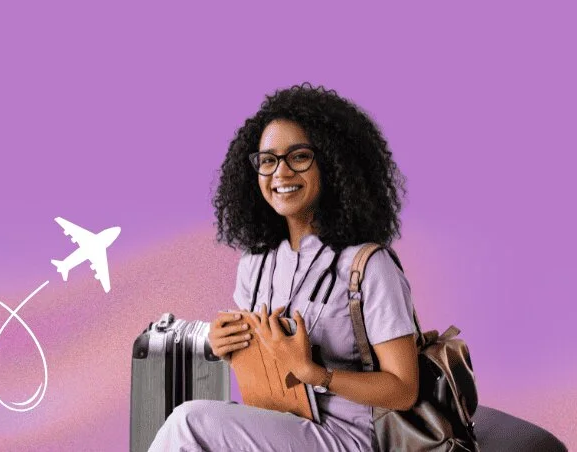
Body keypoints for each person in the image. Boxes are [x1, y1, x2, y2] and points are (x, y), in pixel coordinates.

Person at [149, 83, 421, 451]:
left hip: (345, 437)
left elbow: (404, 390)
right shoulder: (254, 264)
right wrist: (224, 344)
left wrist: (316, 374)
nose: (281, 172)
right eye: (268, 160)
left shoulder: (368, 266)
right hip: (278, 422)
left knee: (188, 423)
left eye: (299, 157)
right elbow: (261, 368)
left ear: (333, 163)